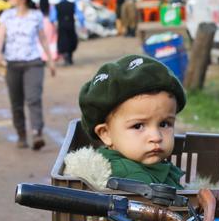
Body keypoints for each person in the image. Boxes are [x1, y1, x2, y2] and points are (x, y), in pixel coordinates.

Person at [77, 54, 185, 186]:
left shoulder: (144, 162)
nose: (156, 137)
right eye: (138, 126)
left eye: (164, 124)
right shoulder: (134, 179)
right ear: (106, 133)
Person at [0, 0, 56, 150]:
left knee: (33, 98)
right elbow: (0, 36)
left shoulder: (36, 16)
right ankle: (21, 134)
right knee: (16, 102)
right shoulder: (7, 16)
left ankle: (37, 133)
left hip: (33, 63)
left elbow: (43, 39)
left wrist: (50, 60)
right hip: (12, 64)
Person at [54, 0, 82, 64]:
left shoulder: (57, 6)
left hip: (62, 26)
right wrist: (82, 24)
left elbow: (53, 18)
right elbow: (80, 15)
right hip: (70, 25)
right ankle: (69, 56)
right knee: (71, 40)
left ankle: (66, 57)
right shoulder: (72, 4)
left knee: (63, 42)